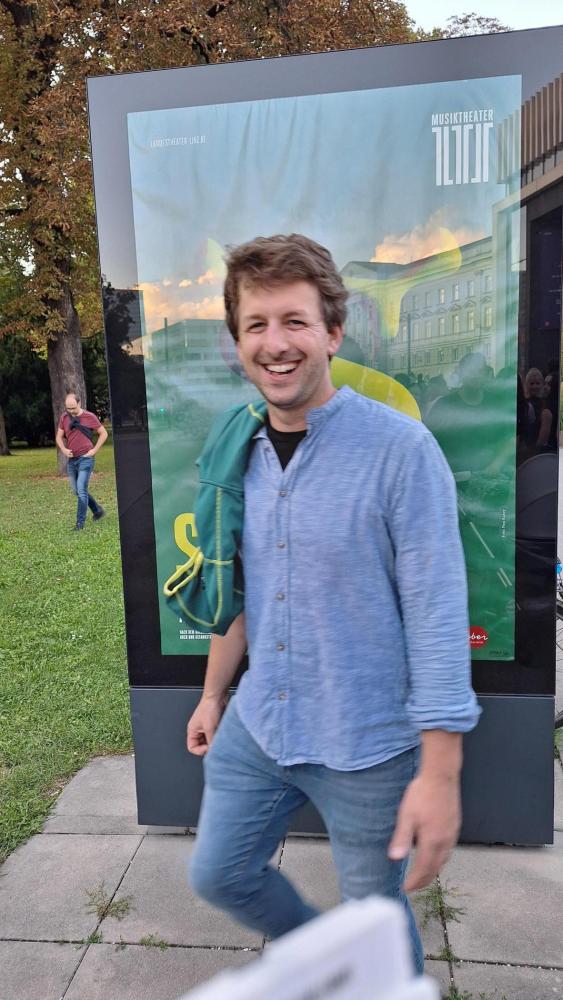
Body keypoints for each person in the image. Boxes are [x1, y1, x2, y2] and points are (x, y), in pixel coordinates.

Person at [186, 234, 480, 974]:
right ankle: (327, 967)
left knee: (374, 918)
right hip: (262, 721)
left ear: (333, 332)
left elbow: (437, 616)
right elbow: (236, 584)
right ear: (238, 342)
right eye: (256, 325)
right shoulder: (235, 448)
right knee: (219, 874)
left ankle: (373, 977)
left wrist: (439, 774)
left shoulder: (400, 451)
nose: (275, 343)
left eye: (295, 321)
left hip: (367, 742)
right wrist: (213, 695)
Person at [55, 392, 108, 531]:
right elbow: (59, 437)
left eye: (73, 408)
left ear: (79, 403)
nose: (71, 411)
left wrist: (94, 450)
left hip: (86, 458)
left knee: (81, 490)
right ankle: (97, 511)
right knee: (77, 491)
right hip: (72, 460)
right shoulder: (64, 417)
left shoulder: (90, 416)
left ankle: (79, 524)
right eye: (68, 408)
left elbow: (104, 433)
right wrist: (64, 450)